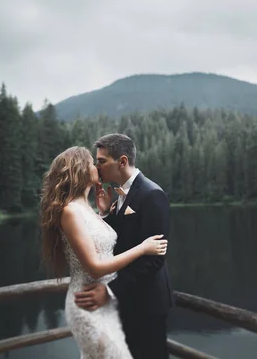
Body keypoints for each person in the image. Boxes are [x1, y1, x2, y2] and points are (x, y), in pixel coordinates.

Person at [39, 146, 168, 358]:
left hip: (106, 304)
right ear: (80, 170)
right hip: (88, 303)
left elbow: (103, 245)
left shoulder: (86, 207)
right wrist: (143, 248)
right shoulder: (70, 211)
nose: (96, 167)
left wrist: (105, 212)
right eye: (92, 163)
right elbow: (95, 267)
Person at [74, 133, 174, 358]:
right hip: (129, 300)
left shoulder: (152, 195)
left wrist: (109, 292)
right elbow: (121, 240)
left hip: (147, 303)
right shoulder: (119, 193)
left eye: (101, 161)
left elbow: (154, 259)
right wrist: (105, 213)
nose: (97, 168)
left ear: (122, 162)